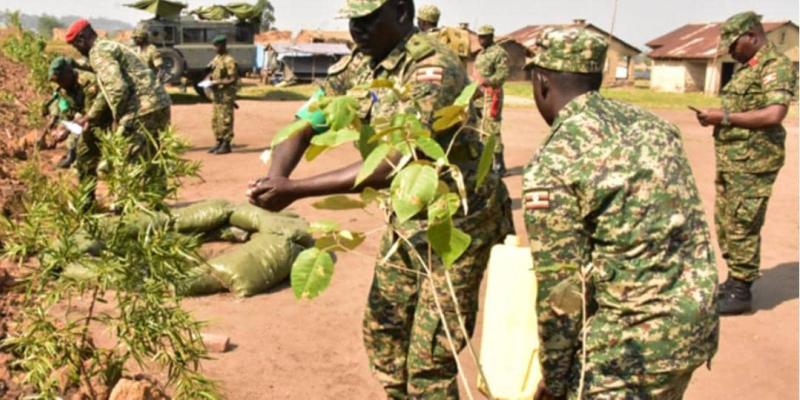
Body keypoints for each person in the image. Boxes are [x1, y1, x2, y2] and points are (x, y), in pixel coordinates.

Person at [247, 0, 513, 398]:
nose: (359, 30)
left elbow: (396, 158)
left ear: (403, 13)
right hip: (407, 218)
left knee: (430, 357)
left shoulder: (432, 69)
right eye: (354, 21)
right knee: (383, 330)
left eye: (369, 19)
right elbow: (304, 124)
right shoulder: (360, 63)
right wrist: (275, 179)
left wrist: (296, 190)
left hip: (456, 221)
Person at [523, 27, 718, 399]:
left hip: (627, 351)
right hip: (692, 329)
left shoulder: (554, 161)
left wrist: (556, 378)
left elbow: (562, 290)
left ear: (541, 81)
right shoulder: (655, 127)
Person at [695, 11, 797, 315]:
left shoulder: (774, 66)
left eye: (733, 43)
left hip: (754, 162)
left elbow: (774, 114)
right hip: (734, 160)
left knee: (743, 222)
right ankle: (734, 278)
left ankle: (741, 290)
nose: (730, 50)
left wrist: (723, 118)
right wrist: (718, 116)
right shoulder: (747, 68)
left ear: (752, 36)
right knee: (727, 222)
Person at [65, 19, 172, 191]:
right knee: (153, 159)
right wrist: (90, 116)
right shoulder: (109, 46)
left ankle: (125, 210)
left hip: (141, 109)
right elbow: (106, 92)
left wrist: (118, 119)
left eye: (76, 46)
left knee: (124, 160)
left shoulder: (98, 52)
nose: (79, 51)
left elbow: (117, 88)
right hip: (159, 104)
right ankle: (156, 207)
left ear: (82, 39)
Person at [46, 57, 111, 205]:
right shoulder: (63, 89)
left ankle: (125, 203)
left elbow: (91, 114)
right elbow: (69, 114)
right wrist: (62, 129)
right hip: (89, 124)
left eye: (61, 80)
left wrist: (68, 130)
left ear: (69, 72)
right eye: (57, 82)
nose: (59, 84)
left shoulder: (88, 82)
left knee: (112, 164)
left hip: (107, 122)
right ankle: (87, 201)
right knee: (84, 160)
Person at [473, 24, 509, 176]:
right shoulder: (480, 54)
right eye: (479, 36)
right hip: (478, 97)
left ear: (491, 37)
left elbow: (503, 75)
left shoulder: (499, 53)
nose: (480, 39)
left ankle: (499, 164)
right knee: (479, 129)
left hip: (491, 95)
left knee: (492, 129)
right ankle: (485, 163)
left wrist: (486, 81)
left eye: (484, 37)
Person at [206, 34, 239, 155]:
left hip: (225, 95)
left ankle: (226, 144)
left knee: (225, 119)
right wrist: (210, 79)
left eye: (217, 45)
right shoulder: (217, 59)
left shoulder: (229, 60)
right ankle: (219, 141)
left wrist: (217, 82)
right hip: (217, 94)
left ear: (223, 45)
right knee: (216, 119)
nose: (215, 48)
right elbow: (212, 71)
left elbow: (232, 78)